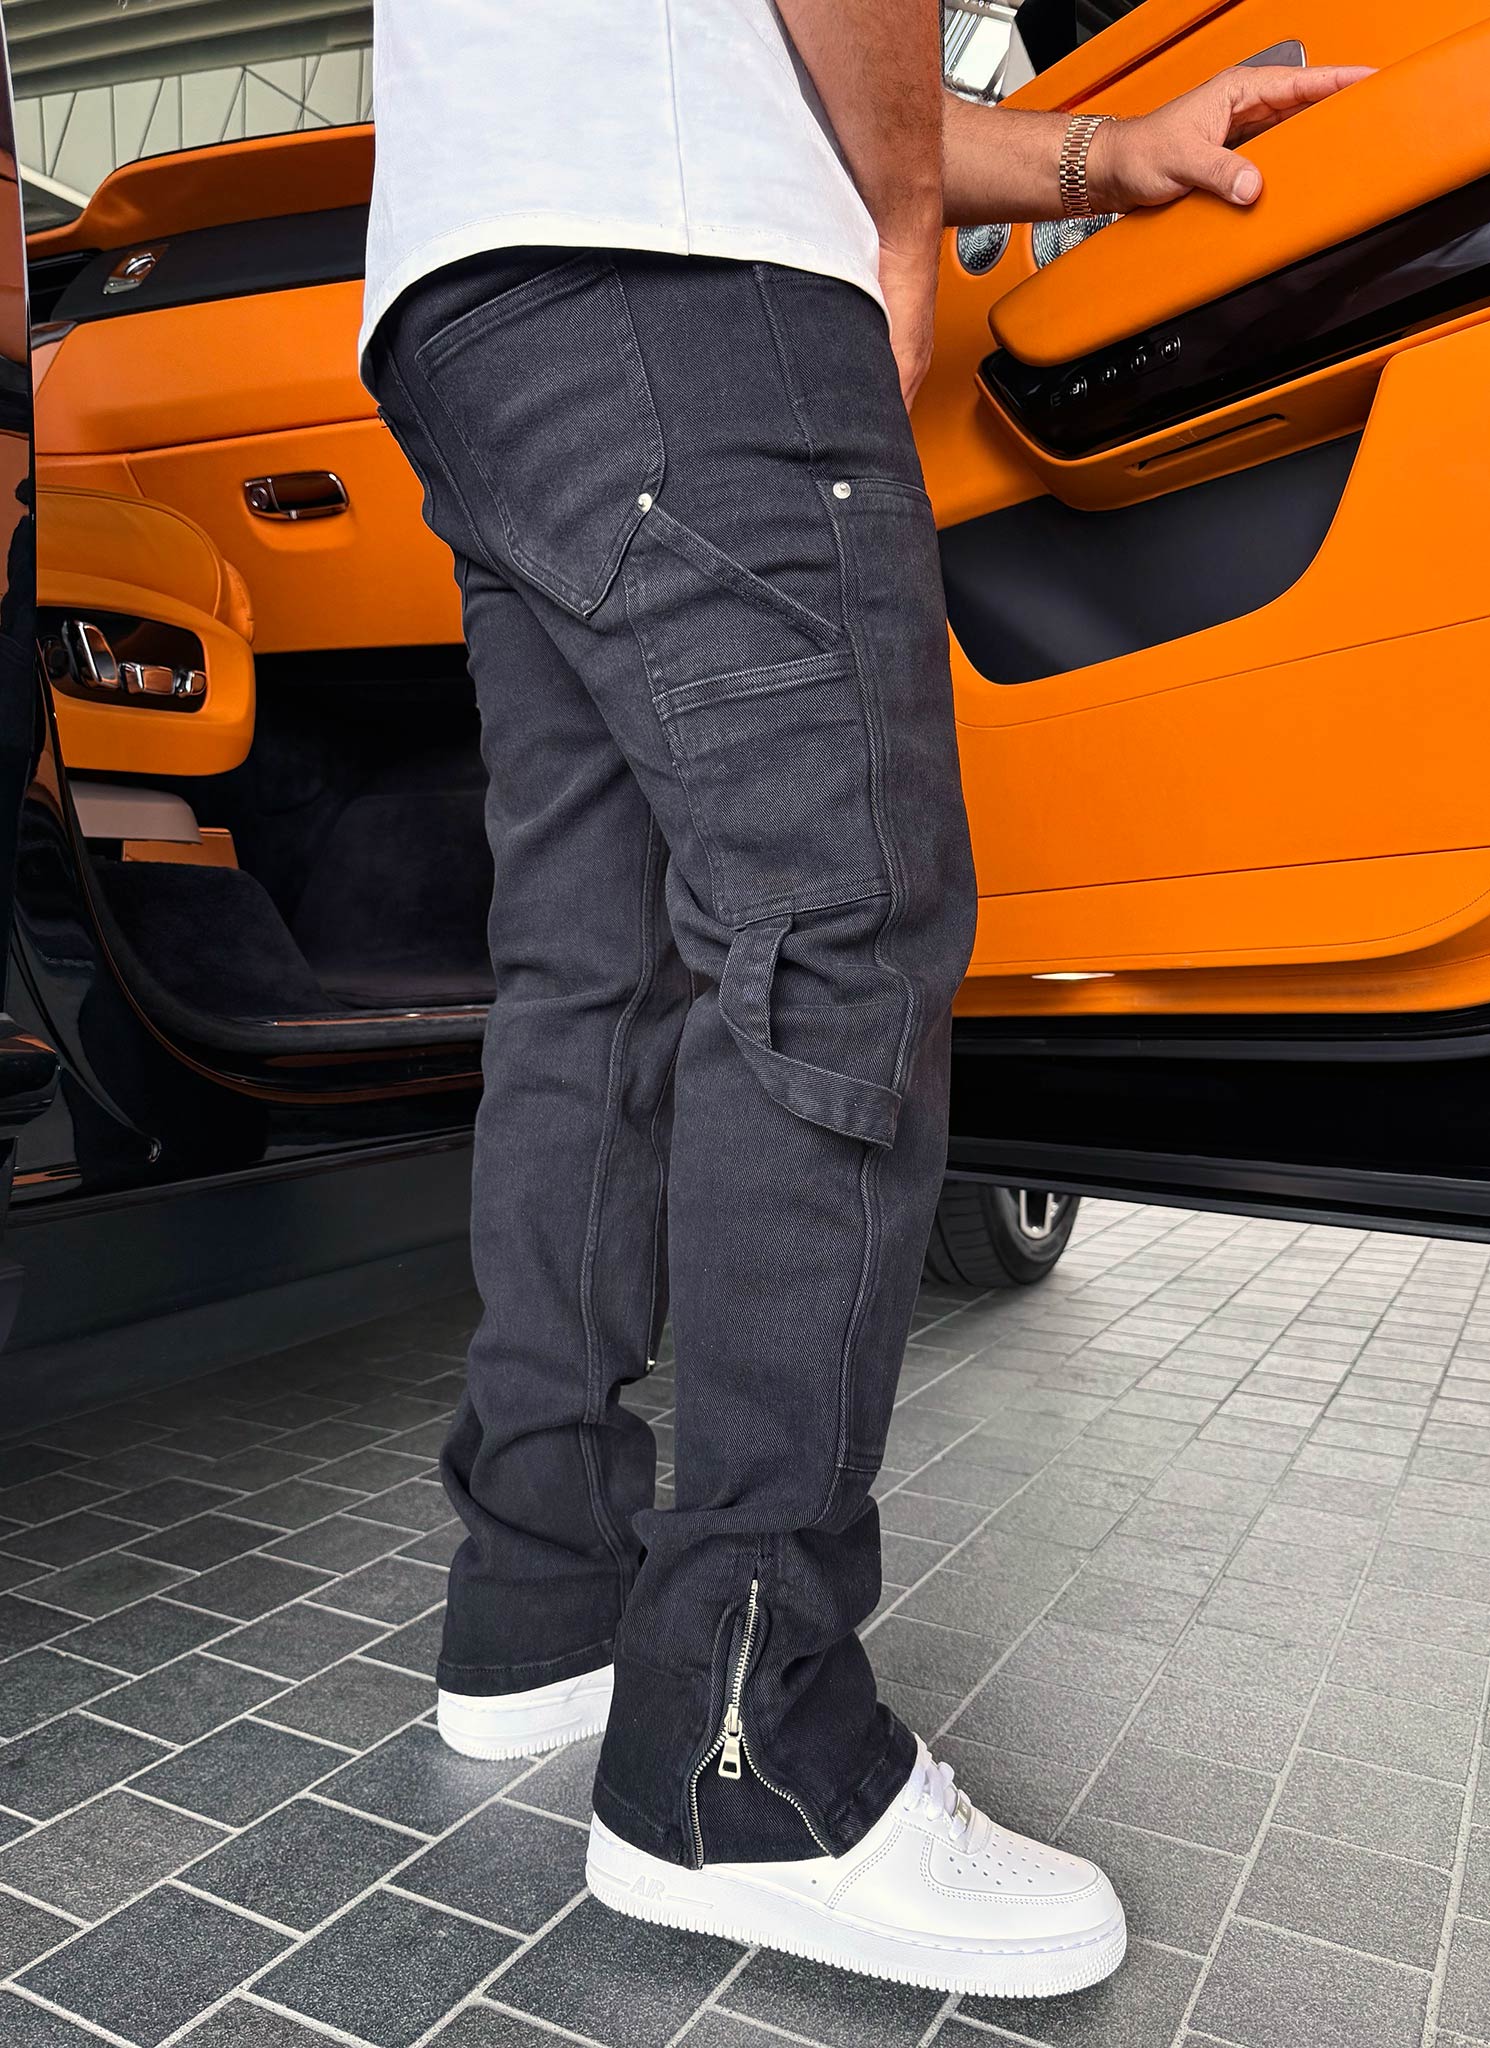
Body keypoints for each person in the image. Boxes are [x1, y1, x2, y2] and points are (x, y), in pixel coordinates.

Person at [359, 2, 1367, 1997]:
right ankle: (746, 1757)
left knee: (593, 976)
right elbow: (816, 67)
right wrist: (905, 213)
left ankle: (539, 1603)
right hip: (699, 291)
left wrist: (1091, 155)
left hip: (475, 309)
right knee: (839, 934)